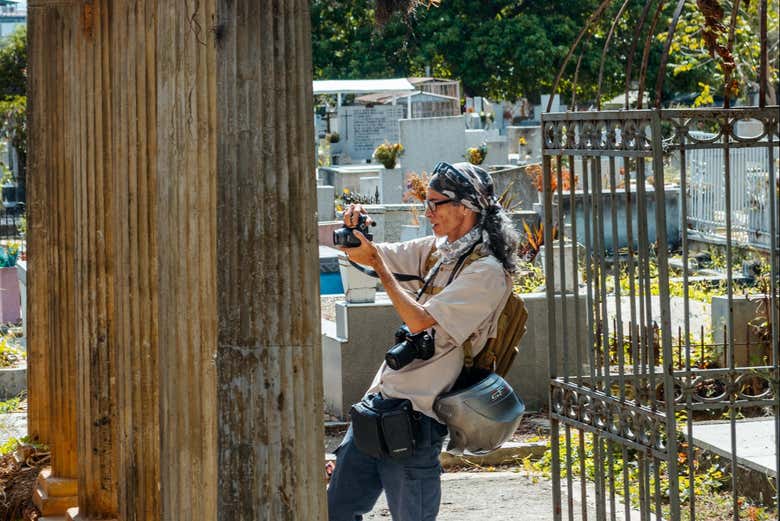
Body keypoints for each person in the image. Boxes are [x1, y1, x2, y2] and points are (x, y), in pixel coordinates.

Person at [328, 161, 519, 521]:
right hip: (377, 406)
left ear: (465, 208)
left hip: (418, 421)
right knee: (333, 512)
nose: (427, 212)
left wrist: (378, 266)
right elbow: (375, 255)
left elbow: (417, 320)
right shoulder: (438, 251)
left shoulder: (487, 272)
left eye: (435, 203)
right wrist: (356, 234)